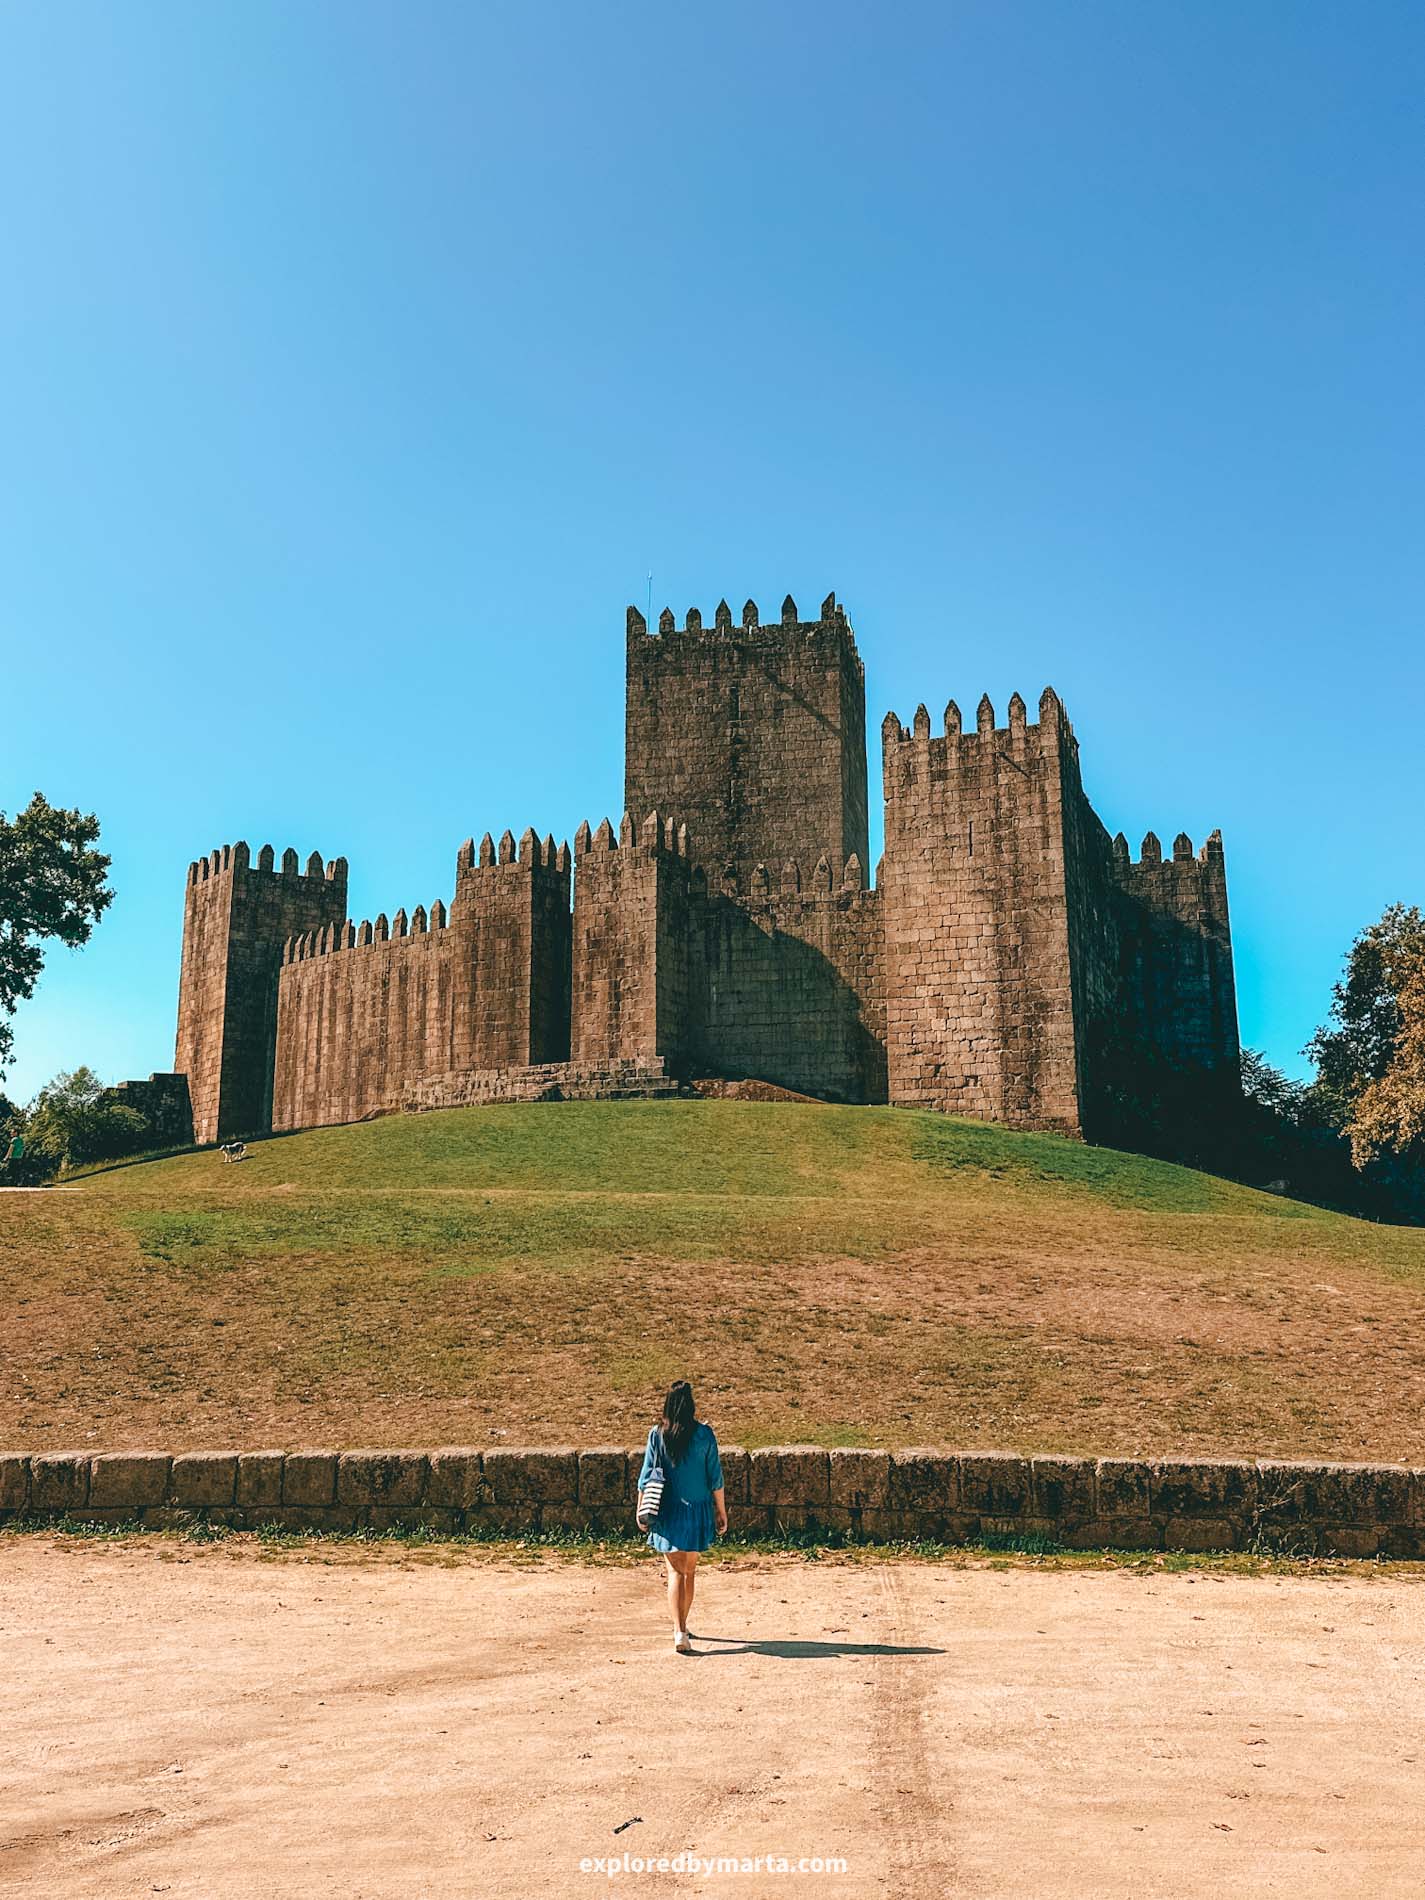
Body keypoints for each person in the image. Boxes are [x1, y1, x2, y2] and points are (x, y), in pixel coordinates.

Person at [637, 1380, 727, 1654]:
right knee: (689, 1571)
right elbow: (715, 1478)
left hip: (668, 1511)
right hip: (697, 1510)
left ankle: (680, 1631)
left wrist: (641, 1510)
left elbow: (645, 1477)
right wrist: (721, 1511)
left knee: (675, 1572)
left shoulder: (657, 1434)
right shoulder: (704, 1435)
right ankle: (683, 1624)